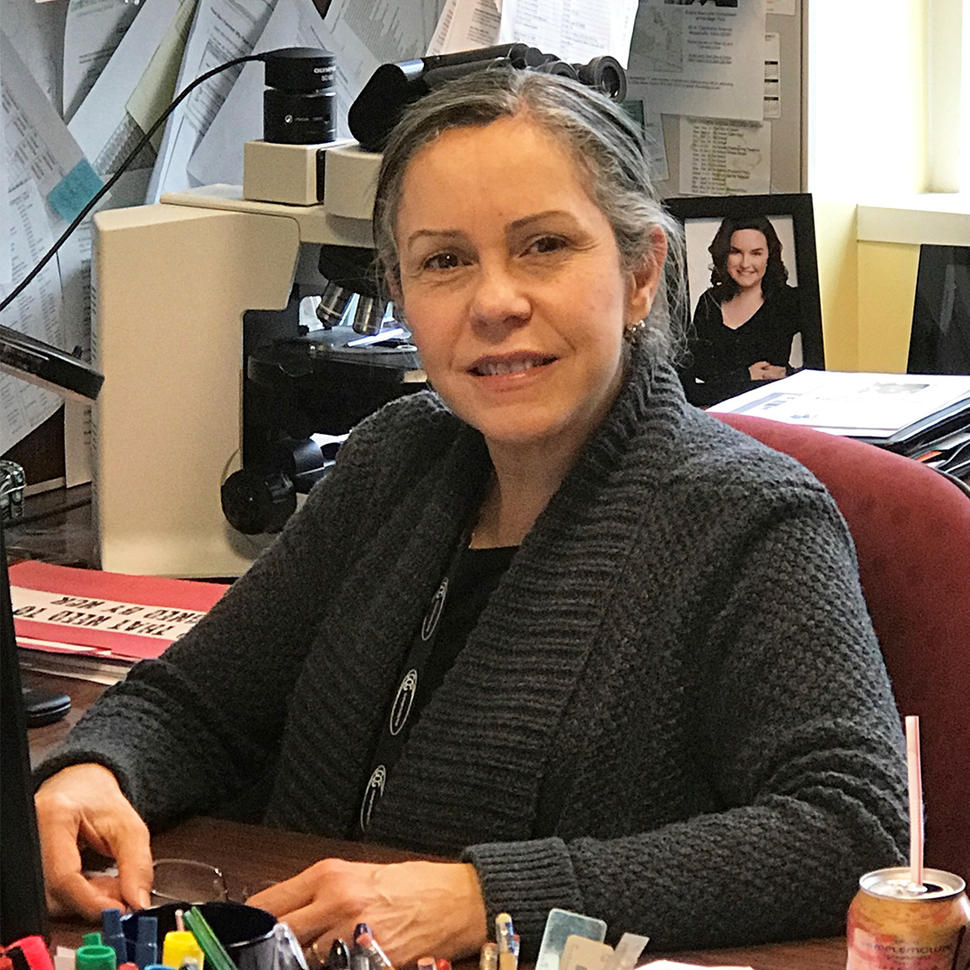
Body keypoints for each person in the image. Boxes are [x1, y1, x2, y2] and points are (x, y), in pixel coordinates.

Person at [33, 67, 907, 964]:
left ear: (641, 273)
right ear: (401, 294)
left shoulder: (750, 518)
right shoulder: (391, 460)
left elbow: (849, 829)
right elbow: (197, 702)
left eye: (544, 246)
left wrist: (489, 897)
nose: (494, 302)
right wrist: (95, 772)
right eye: (444, 261)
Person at [681, 215, 802, 407]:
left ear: (769, 255)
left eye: (756, 253)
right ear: (723, 255)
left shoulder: (790, 300)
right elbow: (692, 384)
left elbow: (819, 371)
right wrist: (746, 376)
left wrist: (789, 375)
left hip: (776, 411)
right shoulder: (709, 302)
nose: (745, 264)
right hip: (717, 412)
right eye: (736, 252)